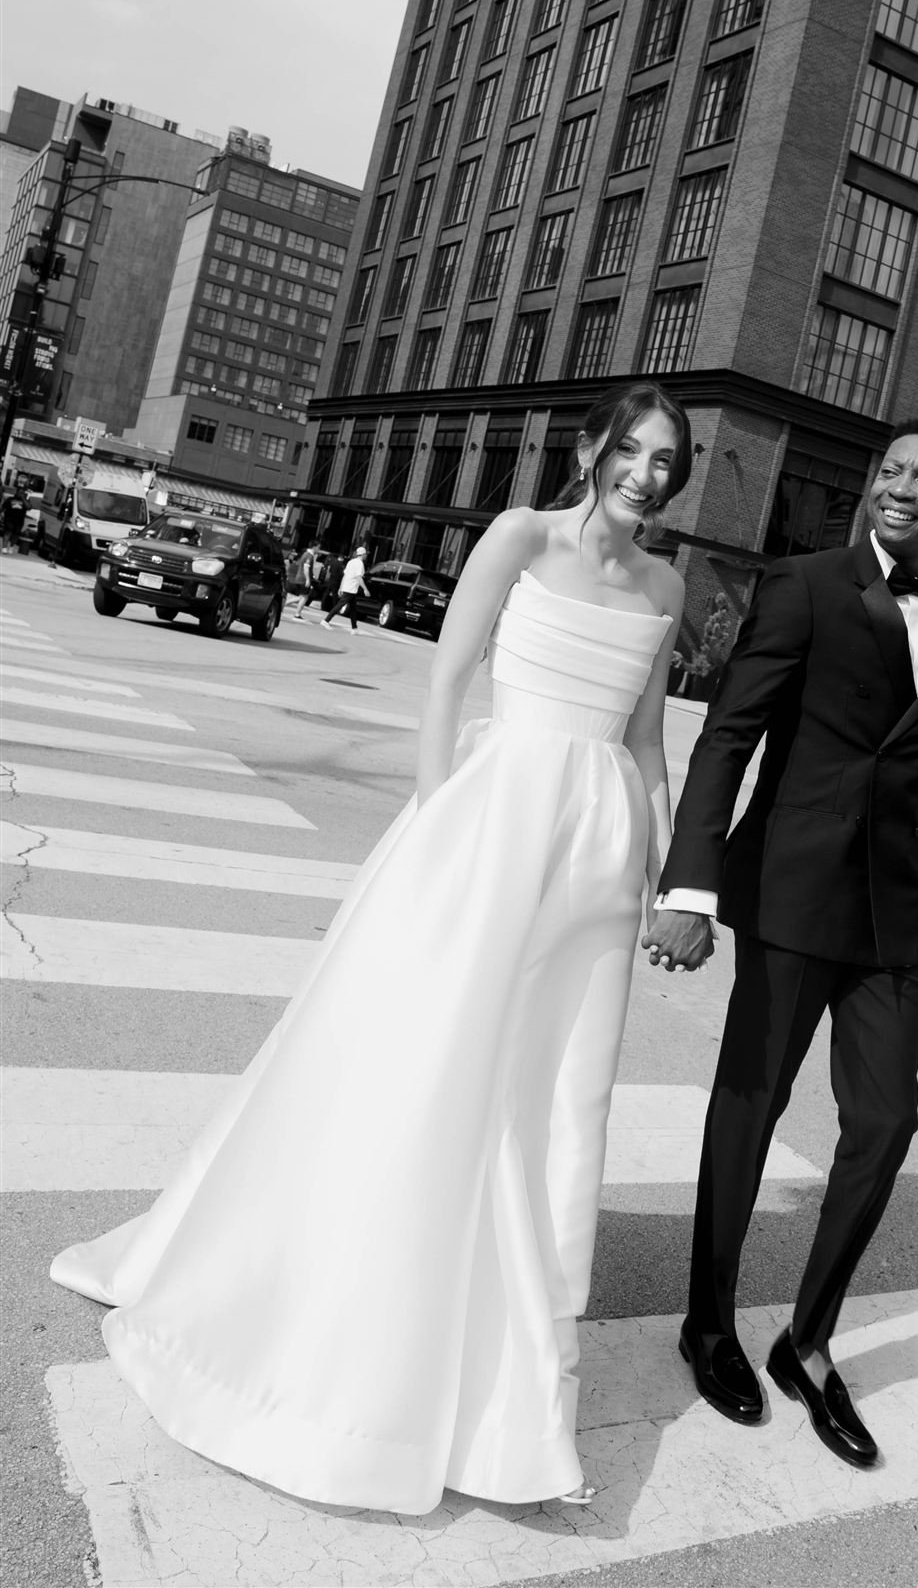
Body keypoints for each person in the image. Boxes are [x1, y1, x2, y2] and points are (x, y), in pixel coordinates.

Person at [50, 380, 694, 1513]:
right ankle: (373, 1321)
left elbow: (645, 738)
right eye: (633, 450)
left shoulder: (666, 583)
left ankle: (511, 1366)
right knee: (431, 1060)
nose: (648, 472)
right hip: (491, 824)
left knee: (553, 1095)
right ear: (592, 447)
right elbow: (450, 675)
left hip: (600, 854)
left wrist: (658, 871)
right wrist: (440, 815)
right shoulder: (518, 535)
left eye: (667, 460)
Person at [644, 417, 918, 1469]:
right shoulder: (801, 584)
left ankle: (809, 1339)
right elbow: (729, 736)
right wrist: (690, 884)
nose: (902, 487)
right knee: (750, 1102)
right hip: (790, 892)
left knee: (885, 1120)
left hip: (893, 920)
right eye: (891, 469)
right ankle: (709, 1320)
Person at [320, 543, 367, 629]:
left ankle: (354, 628)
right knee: (340, 605)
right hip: (351, 588)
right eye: (365, 554)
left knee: (353, 608)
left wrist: (341, 587)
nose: (366, 556)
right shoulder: (360, 564)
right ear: (363, 554)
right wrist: (365, 589)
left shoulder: (351, 562)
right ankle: (326, 620)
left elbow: (345, 575)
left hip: (348, 587)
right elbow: (359, 577)